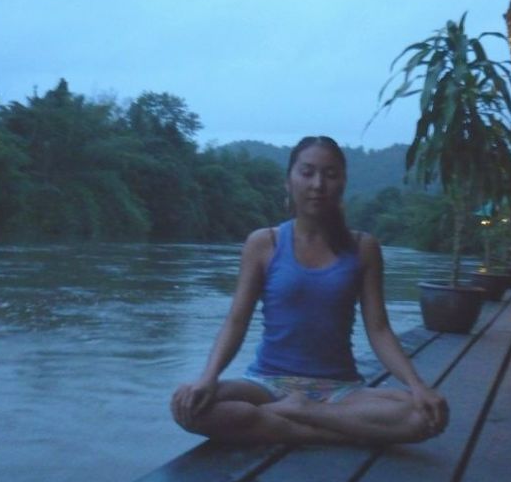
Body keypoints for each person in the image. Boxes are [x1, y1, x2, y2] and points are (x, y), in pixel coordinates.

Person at [170, 136, 449, 445]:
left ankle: (300, 414)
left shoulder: (363, 247)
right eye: (307, 172)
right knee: (188, 406)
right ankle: (325, 429)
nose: (318, 184)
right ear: (289, 181)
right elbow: (236, 321)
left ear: (343, 183)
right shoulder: (264, 243)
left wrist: (417, 385)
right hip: (266, 384)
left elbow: (379, 329)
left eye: (330, 175)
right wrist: (208, 376)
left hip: (340, 389)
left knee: (424, 416)